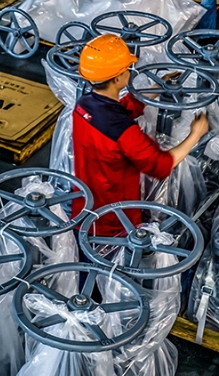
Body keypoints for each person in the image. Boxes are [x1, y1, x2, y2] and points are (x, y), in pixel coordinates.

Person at [72, 34, 209, 235]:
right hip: (114, 223)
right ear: (118, 78)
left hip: (84, 208)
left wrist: (157, 86)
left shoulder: (83, 105)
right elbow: (161, 165)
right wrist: (195, 135)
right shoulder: (125, 132)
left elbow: (121, 109)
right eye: (127, 68)